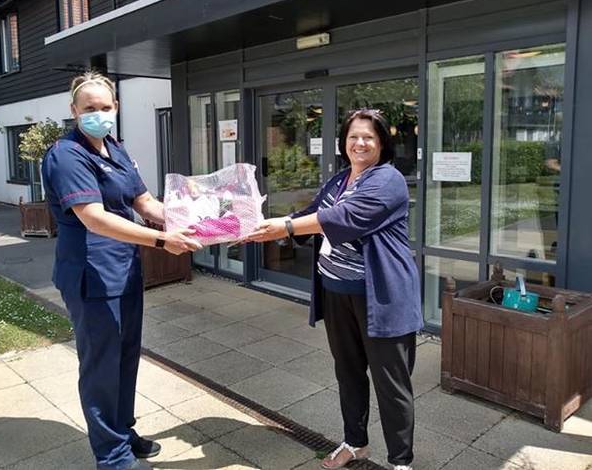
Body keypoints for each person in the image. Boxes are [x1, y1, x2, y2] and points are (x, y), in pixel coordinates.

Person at [41, 71, 202, 470]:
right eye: (89, 108)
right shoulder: (67, 155)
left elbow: (145, 202)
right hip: (92, 274)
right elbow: (94, 218)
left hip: (125, 269)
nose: (99, 114)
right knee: (100, 364)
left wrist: (188, 218)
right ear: (74, 110)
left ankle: (122, 431)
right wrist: (163, 241)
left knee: (127, 357)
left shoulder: (116, 148)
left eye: (105, 107)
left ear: (116, 108)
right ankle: (110, 455)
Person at [245, 108, 422, 470]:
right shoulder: (339, 180)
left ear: (382, 144)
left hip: (380, 297)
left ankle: (401, 462)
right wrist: (263, 221)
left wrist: (284, 229)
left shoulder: (388, 180)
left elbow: (344, 218)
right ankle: (356, 443)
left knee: (391, 383)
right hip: (336, 290)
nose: (360, 143)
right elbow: (313, 212)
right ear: (343, 142)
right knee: (348, 371)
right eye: (353, 136)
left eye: (368, 137)